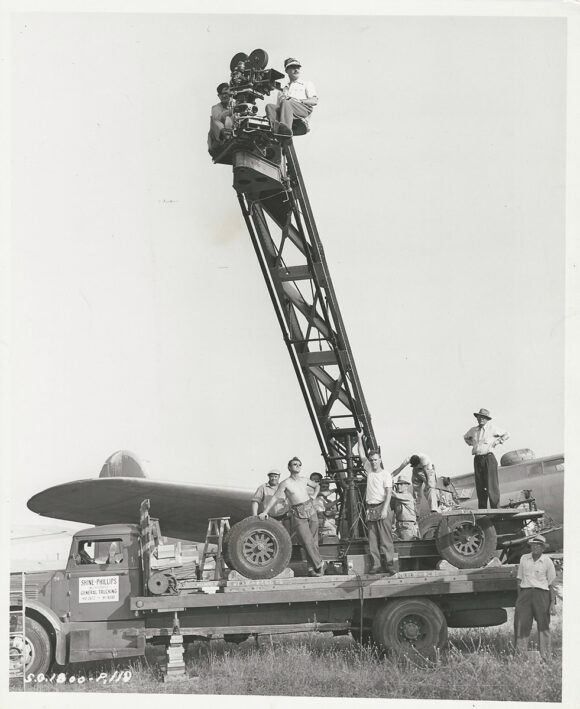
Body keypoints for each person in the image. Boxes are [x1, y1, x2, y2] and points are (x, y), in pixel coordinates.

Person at [259, 457, 324, 576]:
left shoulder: (304, 480)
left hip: (311, 510)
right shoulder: (285, 483)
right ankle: (319, 564)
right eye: (294, 464)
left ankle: (312, 569)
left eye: (299, 464)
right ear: (289, 467)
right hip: (298, 512)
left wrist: (314, 496)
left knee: (314, 542)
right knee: (306, 541)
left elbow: (317, 486)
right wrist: (265, 512)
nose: (297, 466)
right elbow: (275, 498)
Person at [356, 431, 396, 575]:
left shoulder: (385, 474)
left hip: (382, 506)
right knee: (373, 540)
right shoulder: (369, 470)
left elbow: (389, 493)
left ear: (380, 460)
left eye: (375, 459)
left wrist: (385, 510)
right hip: (371, 508)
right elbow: (361, 454)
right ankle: (377, 565)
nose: (373, 462)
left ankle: (389, 564)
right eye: (371, 459)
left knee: (385, 538)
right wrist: (360, 438)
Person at [514, 535, 557, 660]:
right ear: (530, 546)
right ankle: (520, 657)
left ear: (543, 548)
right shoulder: (524, 558)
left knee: (543, 626)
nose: (535, 547)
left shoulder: (547, 561)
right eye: (533, 544)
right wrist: (519, 598)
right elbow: (519, 579)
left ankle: (546, 657)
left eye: (539, 545)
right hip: (525, 594)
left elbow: (551, 584)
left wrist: (552, 604)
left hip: (541, 594)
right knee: (522, 625)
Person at [464, 408, 510, 508]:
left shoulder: (492, 428)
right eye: (479, 417)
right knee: (480, 486)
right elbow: (465, 437)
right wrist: (473, 444)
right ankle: (483, 511)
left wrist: (497, 442)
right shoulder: (473, 430)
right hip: (477, 458)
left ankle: (495, 509)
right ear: (477, 418)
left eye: (483, 418)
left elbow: (506, 434)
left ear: (487, 419)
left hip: (489, 458)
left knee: (491, 485)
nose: (481, 419)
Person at [265, 58, 318, 137]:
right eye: (293, 67)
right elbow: (280, 107)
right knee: (270, 107)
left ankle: (284, 130)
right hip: (287, 111)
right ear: (287, 70)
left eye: (298, 67)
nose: (296, 70)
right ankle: (275, 130)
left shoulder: (306, 84)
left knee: (286, 102)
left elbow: (314, 101)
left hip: (302, 110)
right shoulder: (284, 90)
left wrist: (298, 101)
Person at [207, 82, 233, 155]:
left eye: (226, 93)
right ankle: (225, 133)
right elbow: (217, 118)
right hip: (217, 140)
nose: (224, 96)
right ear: (219, 96)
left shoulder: (234, 105)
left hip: (232, 134)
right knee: (215, 120)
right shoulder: (216, 107)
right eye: (222, 94)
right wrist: (230, 112)